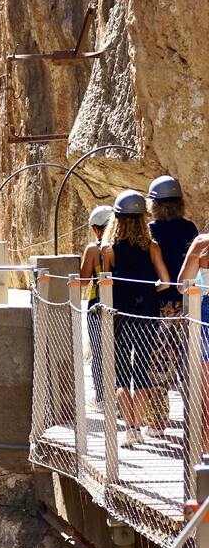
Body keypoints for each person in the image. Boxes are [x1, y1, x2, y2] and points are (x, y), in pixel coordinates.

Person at [100, 191, 171, 445]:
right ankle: (137, 428)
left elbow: (104, 283)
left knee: (121, 372)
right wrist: (147, 291)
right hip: (147, 315)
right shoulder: (152, 246)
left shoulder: (108, 249)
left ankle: (129, 428)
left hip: (119, 315)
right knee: (141, 370)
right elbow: (164, 282)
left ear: (116, 218)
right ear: (143, 219)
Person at [146, 175, 198, 429]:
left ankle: (157, 419)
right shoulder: (189, 229)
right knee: (190, 359)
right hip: (190, 303)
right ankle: (195, 419)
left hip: (161, 303)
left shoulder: (152, 230)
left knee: (159, 359)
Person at [178, 225, 209, 453]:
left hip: (205, 316)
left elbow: (182, 284)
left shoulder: (202, 243)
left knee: (205, 397)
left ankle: (205, 457)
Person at [80, 205, 113, 406]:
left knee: (99, 353)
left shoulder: (94, 249)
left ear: (95, 228)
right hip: (120, 303)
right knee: (119, 351)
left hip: (97, 304)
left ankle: (102, 397)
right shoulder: (122, 247)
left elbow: (83, 280)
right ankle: (120, 395)